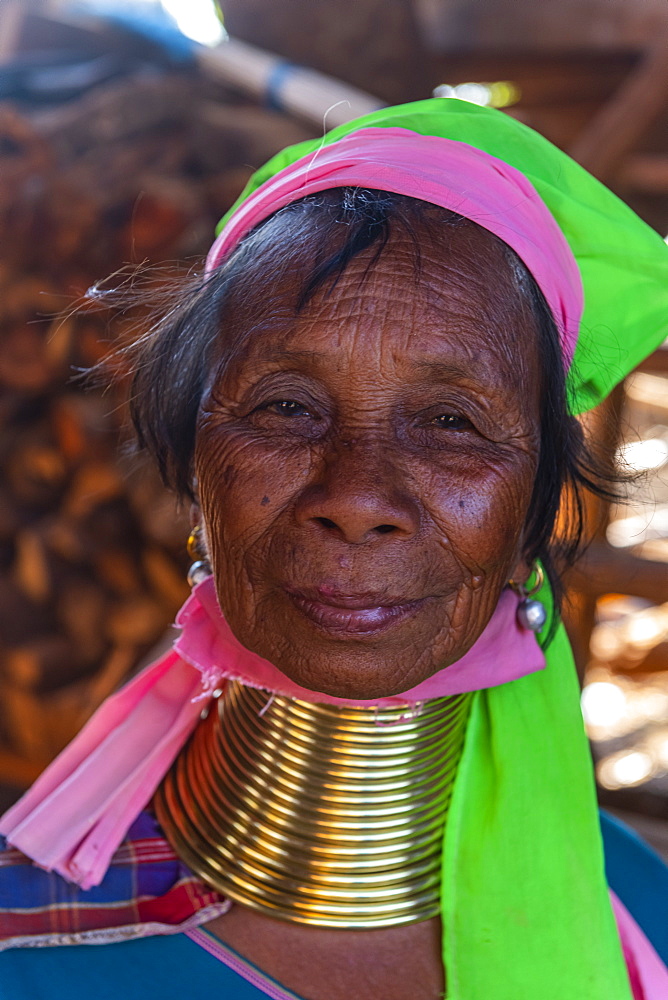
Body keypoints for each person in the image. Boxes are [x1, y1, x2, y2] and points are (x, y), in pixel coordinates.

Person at [1, 99, 668, 1000]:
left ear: (531, 519)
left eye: (450, 422)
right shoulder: (29, 940)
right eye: (286, 408)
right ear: (198, 476)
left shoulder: (638, 906)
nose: (356, 499)